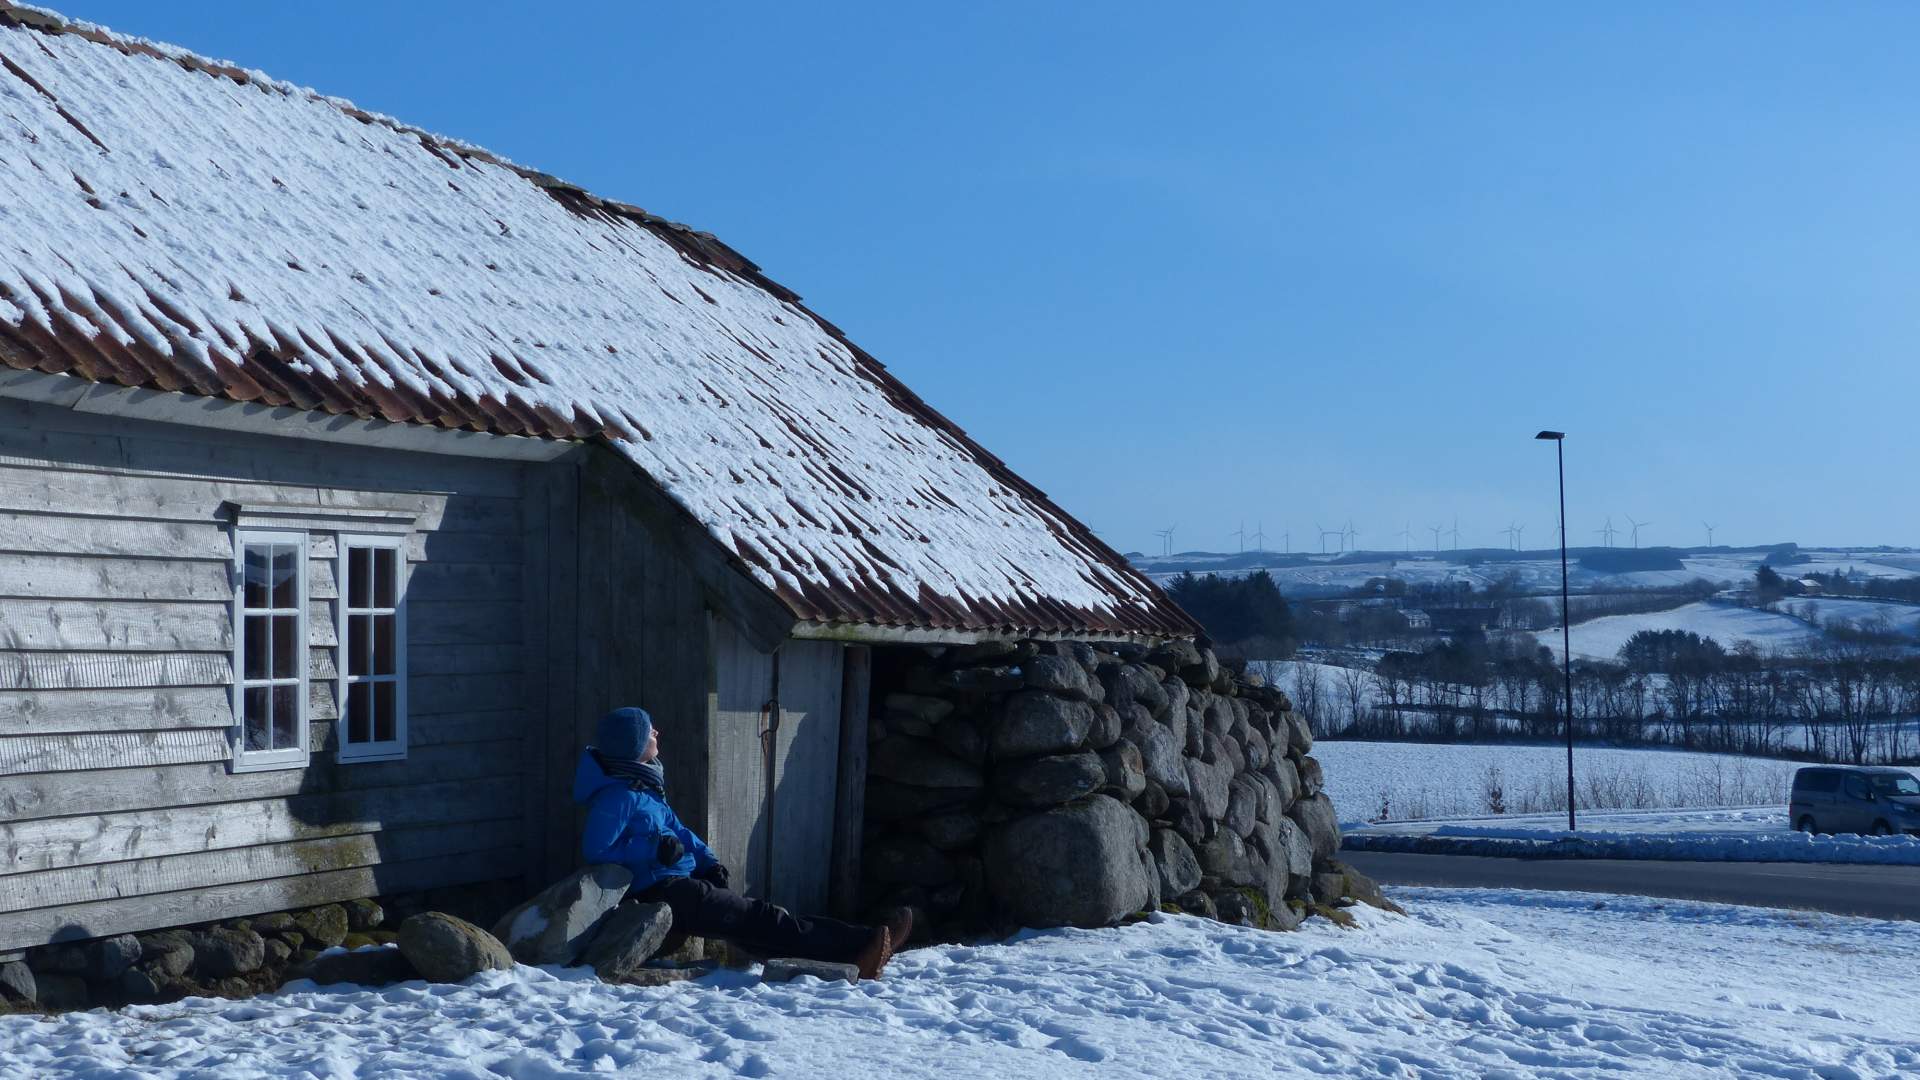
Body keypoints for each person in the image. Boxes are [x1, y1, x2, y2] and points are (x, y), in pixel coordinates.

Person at [574, 706, 911, 979]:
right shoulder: (617, 796)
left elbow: (680, 832)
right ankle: (862, 943)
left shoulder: (643, 789)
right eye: (649, 730)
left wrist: (708, 861)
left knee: (752, 926)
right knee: (757, 917)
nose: (657, 732)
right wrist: (653, 850)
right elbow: (597, 850)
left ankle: (850, 956)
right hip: (659, 893)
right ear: (632, 743)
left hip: (678, 884)